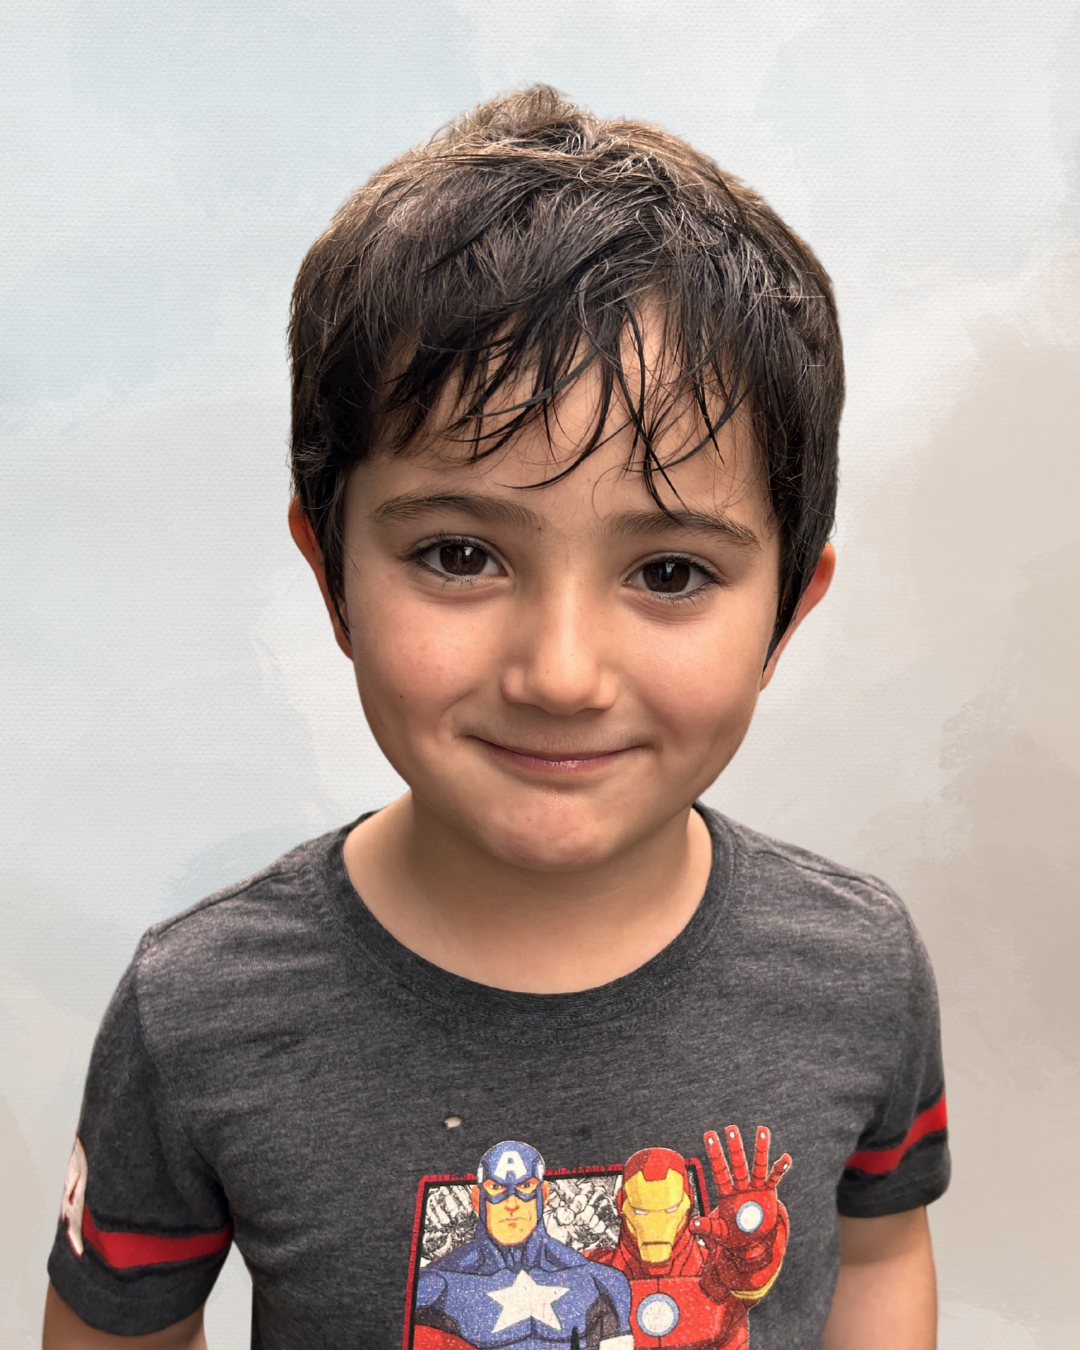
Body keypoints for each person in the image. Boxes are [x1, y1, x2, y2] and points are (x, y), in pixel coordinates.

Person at [42, 85, 949, 1350]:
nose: (561, 672)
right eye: (462, 554)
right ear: (332, 573)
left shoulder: (860, 972)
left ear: (787, 614)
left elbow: (880, 1255)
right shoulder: (195, 1016)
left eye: (670, 572)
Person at [412, 1140, 632, 1350]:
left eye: (526, 1186)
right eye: (496, 1188)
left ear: (543, 1195)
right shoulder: (436, 1286)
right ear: (477, 1199)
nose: (512, 1204)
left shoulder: (602, 1283)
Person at [585, 1131, 790, 1348]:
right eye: (641, 1211)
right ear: (621, 1204)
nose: (657, 1227)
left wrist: (748, 1248)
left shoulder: (717, 1270)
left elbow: (745, 1279)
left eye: (670, 1209)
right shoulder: (588, 1271)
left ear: (688, 1202)